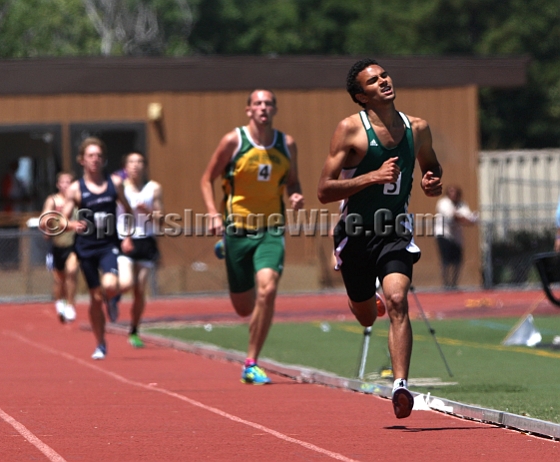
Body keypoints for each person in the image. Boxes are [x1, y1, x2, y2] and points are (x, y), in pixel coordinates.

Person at [317, 58, 443, 419]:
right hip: (355, 234)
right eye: (373, 81)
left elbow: (431, 166)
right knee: (367, 317)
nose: (384, 82)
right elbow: (324, 190)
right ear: (361, 96)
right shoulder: (349, 131)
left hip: (394, 230)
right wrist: (371, 177)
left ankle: (400, 386)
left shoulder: (417, 128)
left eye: (384, 75)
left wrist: (431, 180)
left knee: (398, 299)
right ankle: (365, 301)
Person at [201, 89, 304, 385]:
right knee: (244, 308)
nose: (263, 108)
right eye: (257, 103)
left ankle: (251, 362)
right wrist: (211, 213)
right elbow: (207, 178)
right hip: (236, 228)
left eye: (268, 103)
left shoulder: (287, 144)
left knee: (267, 290)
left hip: (271, 228)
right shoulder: (234, 141)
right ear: (248, 110)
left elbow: (293, 182)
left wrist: (296, 195)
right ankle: (226, 248)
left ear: (275, 110)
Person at [61, 137, 134, 360]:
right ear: (82, 160)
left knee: (111, 285)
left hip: (108, 245)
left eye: (99, 156)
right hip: (86, 249)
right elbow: (60, 221)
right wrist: (73, 224)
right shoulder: (76, 189)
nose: (95, 159)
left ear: (104, 160)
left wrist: (128, 236)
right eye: (91, 156)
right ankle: (101, 343)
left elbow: (128, 209)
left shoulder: (115, 184)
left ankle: (112, 299)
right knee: (94, 298)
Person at [116, 152, 163, 348]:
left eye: (139, 162)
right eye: (131, 162)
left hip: (146, 240)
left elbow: (160, 218)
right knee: (125, 283)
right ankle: (112, 296)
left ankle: (134, 330)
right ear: (125, 166)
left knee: (140, 290)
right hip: (124, 239)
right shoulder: (119, 186)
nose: (135, 166)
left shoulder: (154, 188)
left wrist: (147, 211)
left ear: (144, 166)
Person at [41, 172, 79, 323]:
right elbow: (44, 217)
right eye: (63, 182)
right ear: (58, 185)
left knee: (71, 272)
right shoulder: (53, 200)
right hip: (57, 245)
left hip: (74, 244)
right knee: (59, 280)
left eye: (69, 182)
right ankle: (60, 302)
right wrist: (48, 226)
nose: (66, 185)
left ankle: (70, 305)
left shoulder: (77, 200)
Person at [434, 185, 478, 290]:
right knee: (445, 260)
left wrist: (467, 219)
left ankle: (454, 284)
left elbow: (469, 218)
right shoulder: (443, 203)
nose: (453, 194)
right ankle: (446, 283)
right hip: (443, 233)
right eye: (451, 192)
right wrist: (465, 219)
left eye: (455, 192)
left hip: (456, 236)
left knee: (457, 261)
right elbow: (454, 217)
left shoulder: (462, 204)